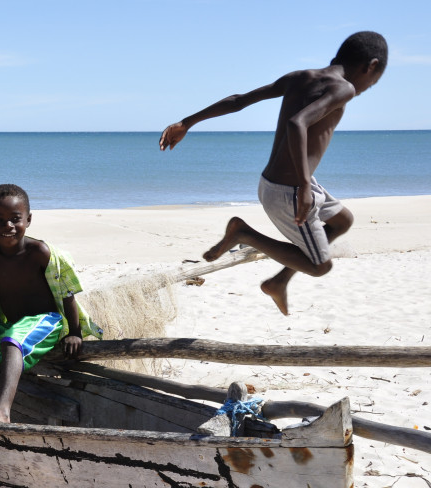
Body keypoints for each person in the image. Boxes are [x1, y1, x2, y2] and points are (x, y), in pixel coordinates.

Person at [159, 31, 387, 315]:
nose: (367, 88)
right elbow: (297, 123)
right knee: (319, 266)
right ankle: (245, 234)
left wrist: (186, 122)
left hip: (279, 183)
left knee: (342, 221)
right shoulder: (344, 89)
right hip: (291, 190)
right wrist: (304, 186)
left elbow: (239, 100)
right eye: (373, 83)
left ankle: (279, 281)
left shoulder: (301, 77)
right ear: (371, 66)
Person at [0, 184, 101, 424]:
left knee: (11, 338)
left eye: (15, 219)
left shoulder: (41, 252)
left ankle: (2, 409)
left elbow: (67, 294)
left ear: (28, 219)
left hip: (47, 322)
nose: (8, 226)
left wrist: (75, 333)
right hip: (10, 327)